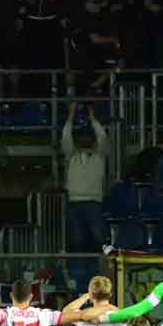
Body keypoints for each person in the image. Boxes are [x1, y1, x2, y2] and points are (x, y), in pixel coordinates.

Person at [63, 102, 109, 253]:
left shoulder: (100, 155)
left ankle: (104, 269)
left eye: (87, 136)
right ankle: (78, 272)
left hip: (94, 202)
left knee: (99, 239)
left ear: (92, 139)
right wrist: (71, 115)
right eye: (82, 137)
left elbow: (102, 135)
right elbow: (65, 135)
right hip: (74, 202)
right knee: (77, 240)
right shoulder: (71, 155)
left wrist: (92, 117)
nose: (85, 139)